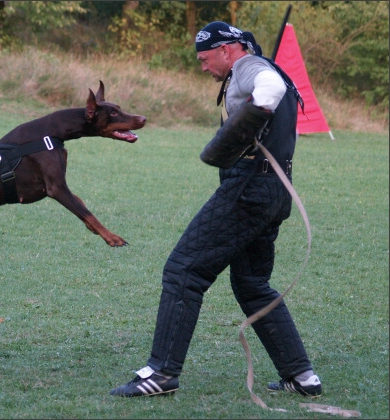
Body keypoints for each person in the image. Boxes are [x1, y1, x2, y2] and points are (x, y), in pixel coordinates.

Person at [110, 21, 321, 398]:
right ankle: (301, 376)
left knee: (183, 270)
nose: (204, 67)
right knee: (252, 284)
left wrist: (249, 121)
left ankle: (161, 373)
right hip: (276, 191)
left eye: (206, 59)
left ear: (227, 50)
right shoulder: (261, 67)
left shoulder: (249, 68)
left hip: (249, 188)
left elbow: (268, 91)